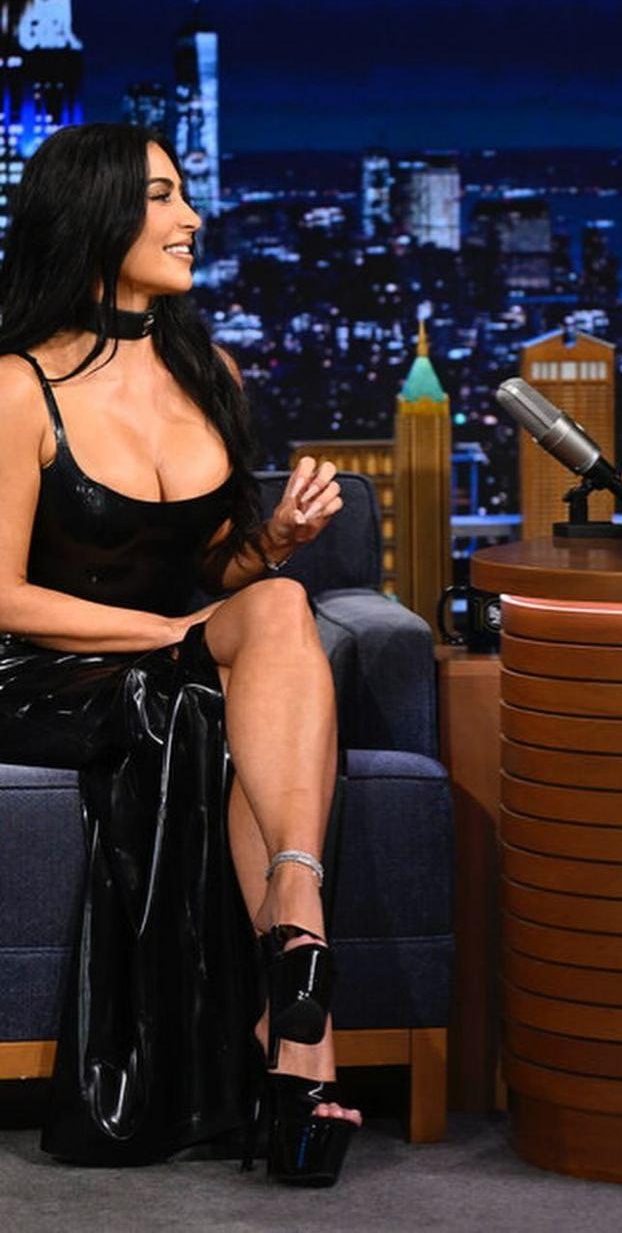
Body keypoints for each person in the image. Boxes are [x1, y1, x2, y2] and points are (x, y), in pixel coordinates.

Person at [0, 123, 361, 1184]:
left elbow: (212, 567)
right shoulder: (17, 385)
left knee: (279, 604)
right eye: (161, 197)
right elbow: (3, 593)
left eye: (183, 194)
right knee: (207, 695)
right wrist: (173, 634)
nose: (191, 218)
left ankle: (294, 924)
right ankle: (300, 1040)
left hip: (172, 654)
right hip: (41, 666)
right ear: (94, 213)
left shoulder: (212, 371)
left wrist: (274, 540)